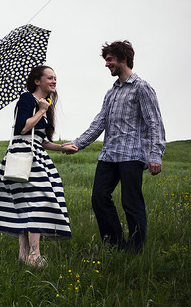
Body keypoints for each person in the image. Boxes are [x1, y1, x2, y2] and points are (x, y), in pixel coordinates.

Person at [65, 40, 166, 253]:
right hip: (109, 155)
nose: (106, 64)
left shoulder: (142, 87)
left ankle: (136, 249)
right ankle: (114, 245)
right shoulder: (111, 93)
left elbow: (154, 122)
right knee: (99, 197)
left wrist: (155, 154)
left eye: (109, 60)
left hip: (132, 155)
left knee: (131, 203)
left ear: (123, 59)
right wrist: (77, 144)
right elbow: (99, 122)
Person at [0, 65, 76, 267]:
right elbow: (22, 128)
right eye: (50, 78)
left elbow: (42, 140)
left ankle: (24, 256)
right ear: (37, 81)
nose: (54, 81)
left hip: (37, 155)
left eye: (55, 78)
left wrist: (62, 147)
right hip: (24, 156)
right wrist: (41, 110)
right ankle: (34, 256)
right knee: (36, 203)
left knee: (30, 204)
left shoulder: (46, 104)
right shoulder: (28, 99)